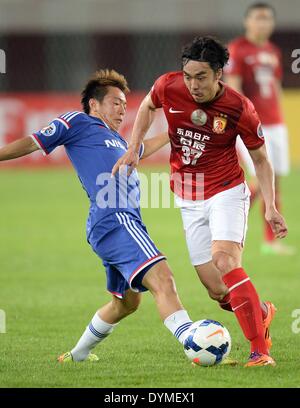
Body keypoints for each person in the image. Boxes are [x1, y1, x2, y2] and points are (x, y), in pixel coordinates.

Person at [112, 36, 288, 367]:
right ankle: (261, 312)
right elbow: (149, 106)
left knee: (225, 260)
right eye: (188, 76)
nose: (193, 85)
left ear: (219, 73)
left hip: (226, 190)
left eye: (201, 77)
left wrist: (272, 206)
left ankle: (260, 350)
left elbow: (262, 160)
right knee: (217, 289)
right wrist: (134, 146)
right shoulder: (168, 86)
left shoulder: (239, 108)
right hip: (188, 195)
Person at [0, 69, 197, 363]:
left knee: (127, 303)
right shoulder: (79, 122)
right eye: (115, 102)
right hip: (115, 219)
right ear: (94, 104)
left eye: (124, 103)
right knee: (163, 278)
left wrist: (173, 132)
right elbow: (32, 141)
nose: (122, 108)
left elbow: (142, 149)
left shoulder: (119, 142)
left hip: (120, 223)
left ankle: (77, 354)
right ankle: (197, 345)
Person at [224, 2, 294, 255]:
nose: (263, 23)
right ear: (247, 22)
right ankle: (226, 225)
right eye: (258, 18)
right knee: (259, 179)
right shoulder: (238, 49)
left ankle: (271, 241)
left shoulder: (273, 50)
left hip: (276, 124)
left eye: (267, 19)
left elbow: (274, 87)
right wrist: (247, 121)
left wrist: (281, 117)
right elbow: (234, 88)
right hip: (254, 125)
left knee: (275, 182)